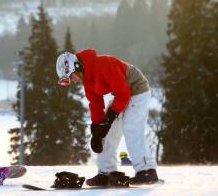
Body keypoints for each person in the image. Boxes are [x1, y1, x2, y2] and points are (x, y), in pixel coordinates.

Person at [56, 50, 158, 185]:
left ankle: (147, 170)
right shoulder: (87, 79)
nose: (73, 80)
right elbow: (95, 103)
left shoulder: (103, 64)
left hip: (137, 90)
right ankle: (106, 172)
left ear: (76, 67)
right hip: (122, 95)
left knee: (131, 127)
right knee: (107, 132)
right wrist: (97, 131)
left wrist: (109, 118)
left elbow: (123, 94)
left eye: (71, 76)